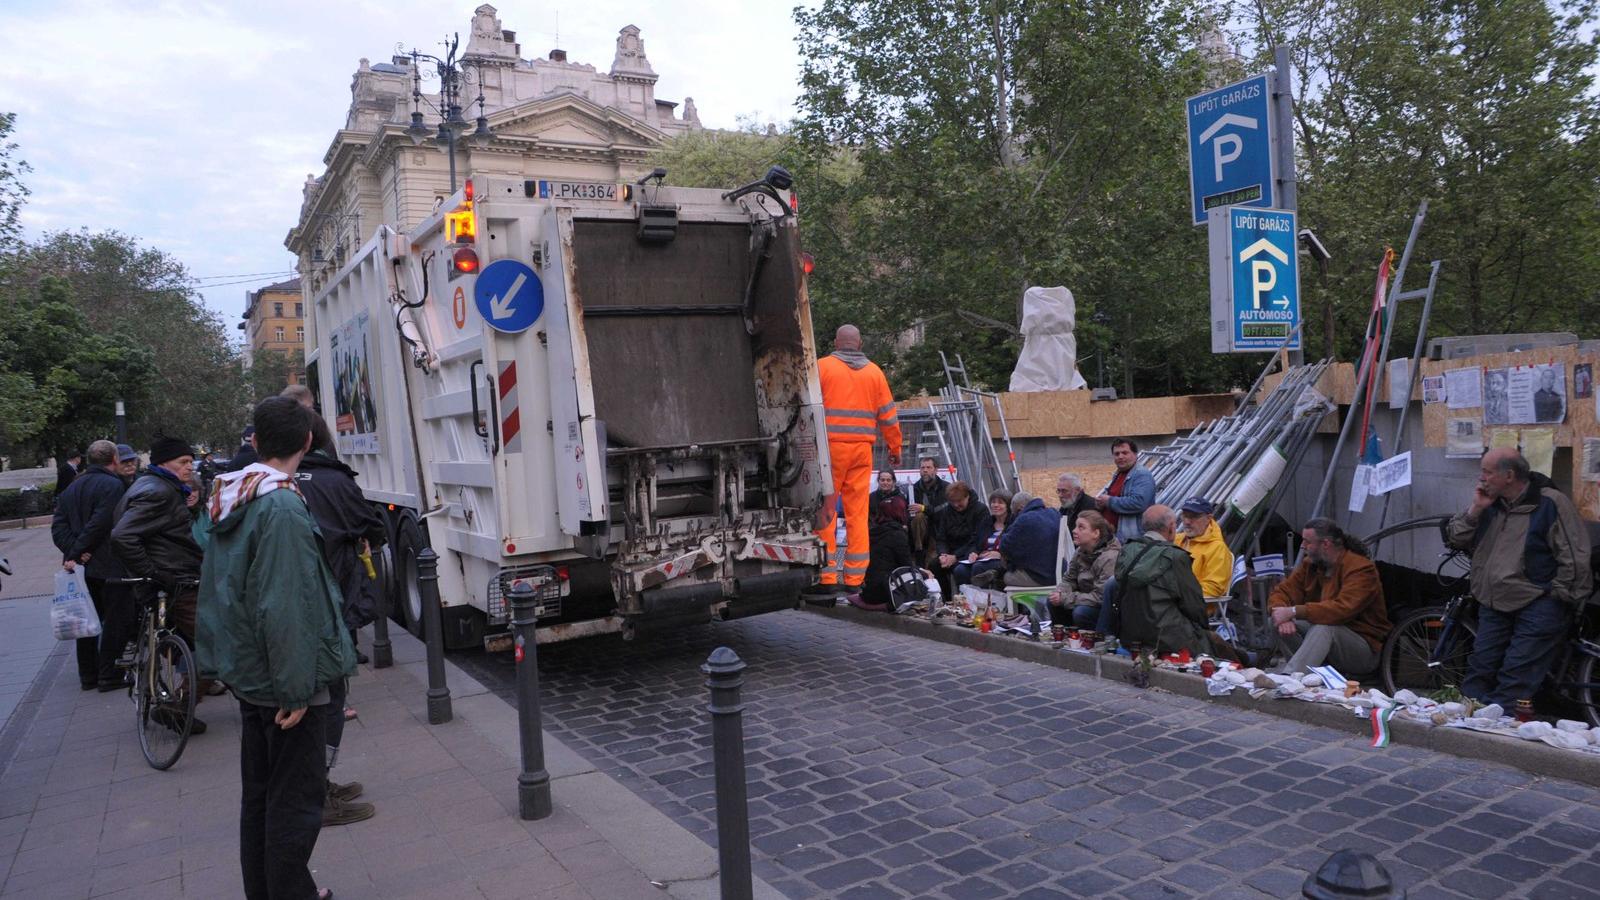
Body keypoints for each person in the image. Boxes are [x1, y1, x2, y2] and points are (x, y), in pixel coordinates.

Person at [197, 397, 354, 900]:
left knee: (263, 797)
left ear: (257, 442)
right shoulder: (280, 504)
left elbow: (225, 590)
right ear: (308, 443)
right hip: (282, 679)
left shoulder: (234, 492)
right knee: (295, 802)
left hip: (250, 668)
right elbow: (283, 604)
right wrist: (295, 689)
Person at [1447, 449, 1591, 707]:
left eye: (1487, 472)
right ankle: (1465, 721)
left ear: (1509, 475)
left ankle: (1496, 735)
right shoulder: (1490, 503)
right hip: (1494, 600)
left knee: (1515, 677)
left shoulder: (1550, 504)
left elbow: (1575, 556)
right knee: (1480, 667)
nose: (1482, 479)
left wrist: (1558, 598)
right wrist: (1476, 509)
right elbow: (1457, 538)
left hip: (1538, 601)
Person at [295, 414, 382, 826]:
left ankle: (315, 783)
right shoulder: (334, 481)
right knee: (329, 701)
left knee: (316, 700)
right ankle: (316, 791)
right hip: (328, 606)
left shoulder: (266, 485)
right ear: (315, 438)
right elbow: (372, 526)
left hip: (294, 612)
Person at [812, 325, 901, 596]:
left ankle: (826, 578)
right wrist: (894, 447)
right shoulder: (875, 373)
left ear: (837, 342)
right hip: (862, 451)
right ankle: (855, 579)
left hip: (831, 452)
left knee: (826, 512)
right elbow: (888, 414)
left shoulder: (822, 367)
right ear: (859, 343)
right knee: (858, 513)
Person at [51, 441, 135, 691]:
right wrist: (80, 551)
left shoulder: (73, 487)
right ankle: (108, 674)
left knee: (86, 619)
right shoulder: (113, 485)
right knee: (117, 619)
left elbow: (58, 527)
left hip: (81, 567)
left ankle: (88, 675)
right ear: (115, 458)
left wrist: (74, 553)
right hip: (108, 564)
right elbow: (101, 523)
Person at [1267, 518, 1390, 675]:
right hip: (1323, 641)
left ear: (1325, 544)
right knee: (1275, 619)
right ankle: (1309, 676)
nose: (1302, 545)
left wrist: (1293, 611)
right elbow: (1283, 591)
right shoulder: (1310, 564)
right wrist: (1282, 614)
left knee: (1324, 628)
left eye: (1307, 541)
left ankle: (1292, 679)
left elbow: (1342, 610)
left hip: (1363, 650)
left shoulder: (1361, 569)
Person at [1106, 506, 1216, 657]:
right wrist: (1203, 628)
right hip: (1167, 638)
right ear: (1171, 527)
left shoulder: (1127, 549)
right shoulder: (1175, 557)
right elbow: (1193, 604)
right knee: (1214, 643)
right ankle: (1250, 663)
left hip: (1130, 636)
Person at [1048, 510, 1119, 629]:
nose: (1074, 531)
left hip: (1105, 608)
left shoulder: (1110, 557)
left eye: (1081, 528)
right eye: (1076, 526)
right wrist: (1060, 592)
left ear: (1096, 533)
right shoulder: (1080, 551)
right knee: (1052, 602)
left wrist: (1066, 598)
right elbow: (1069, 579)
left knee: (1081, 612)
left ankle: (1092, 641)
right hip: (1083, 599)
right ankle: (1064, 638)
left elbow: (1100, 598)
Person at [858, 471, 913, 611]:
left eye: (888, 480)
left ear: (893, 481)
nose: (885, 482)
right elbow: (906, 564)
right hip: (885, 591)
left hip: (868, 591)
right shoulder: (872, 498)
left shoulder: (899, 498)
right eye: (882, 480)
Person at [930, 481, 986, 598]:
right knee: (934, 565)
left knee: (960, 570)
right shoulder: (947, 512)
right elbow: (941, 537)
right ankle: (945, 598)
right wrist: (943, 554)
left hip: (969, 552)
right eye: (953, 502)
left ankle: (965, 599)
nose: (956, 505)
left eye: (959, 502)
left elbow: (977, 538)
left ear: (967, 497)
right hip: (950, 551)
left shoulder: (980, 510)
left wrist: (956, 556)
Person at [1096, 438, 1155, 543]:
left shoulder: (1141, 474)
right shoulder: (1119, 473)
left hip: (1130, 540)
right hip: (1114, 537)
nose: (1120, 457)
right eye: (1116, 454)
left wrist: (1109, 501)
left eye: (1125, 453)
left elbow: (1139, 503)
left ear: (1135, 454)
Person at [952, 490, 1012, 589]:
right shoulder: (986, 521)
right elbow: (974, 541)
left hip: (1002, 560)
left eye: (1000, 502)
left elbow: (1016, 546)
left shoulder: (1013, 523)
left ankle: (983, 601)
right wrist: (973, 553)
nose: (995, 505)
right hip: (982, 558)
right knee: (960, 570)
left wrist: (1000, 554)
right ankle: (965, 599)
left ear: (1008, 506)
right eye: (993, 502)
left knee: (978, 567)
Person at [998, 491, 1058, 587]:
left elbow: (1004, 546)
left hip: (1041, 577)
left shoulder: (1024, 519)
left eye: (1015, 513)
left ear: (1020, 508)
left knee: (1006, 577)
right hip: (1059, 572)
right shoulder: (1054, 513)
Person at [1175, 498, 1230, 600]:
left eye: (1194, 517)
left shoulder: (1217, 548)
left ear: (1209, 518)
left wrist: (1176, 594)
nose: (1187, 521)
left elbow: (1214, 588)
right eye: (1185, 515)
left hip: (1191, 608)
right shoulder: (1176, 539)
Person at [909, 457, 948, 565]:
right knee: (918, 516)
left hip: (939, 529)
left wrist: (924, 508)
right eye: (922, 468)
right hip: (920, 532)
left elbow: (943, 510)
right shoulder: (913, 488)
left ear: (936, 470)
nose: (925, 470)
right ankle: (918, 550)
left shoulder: (946, 487)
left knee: (932, 564)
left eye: (928, 467)